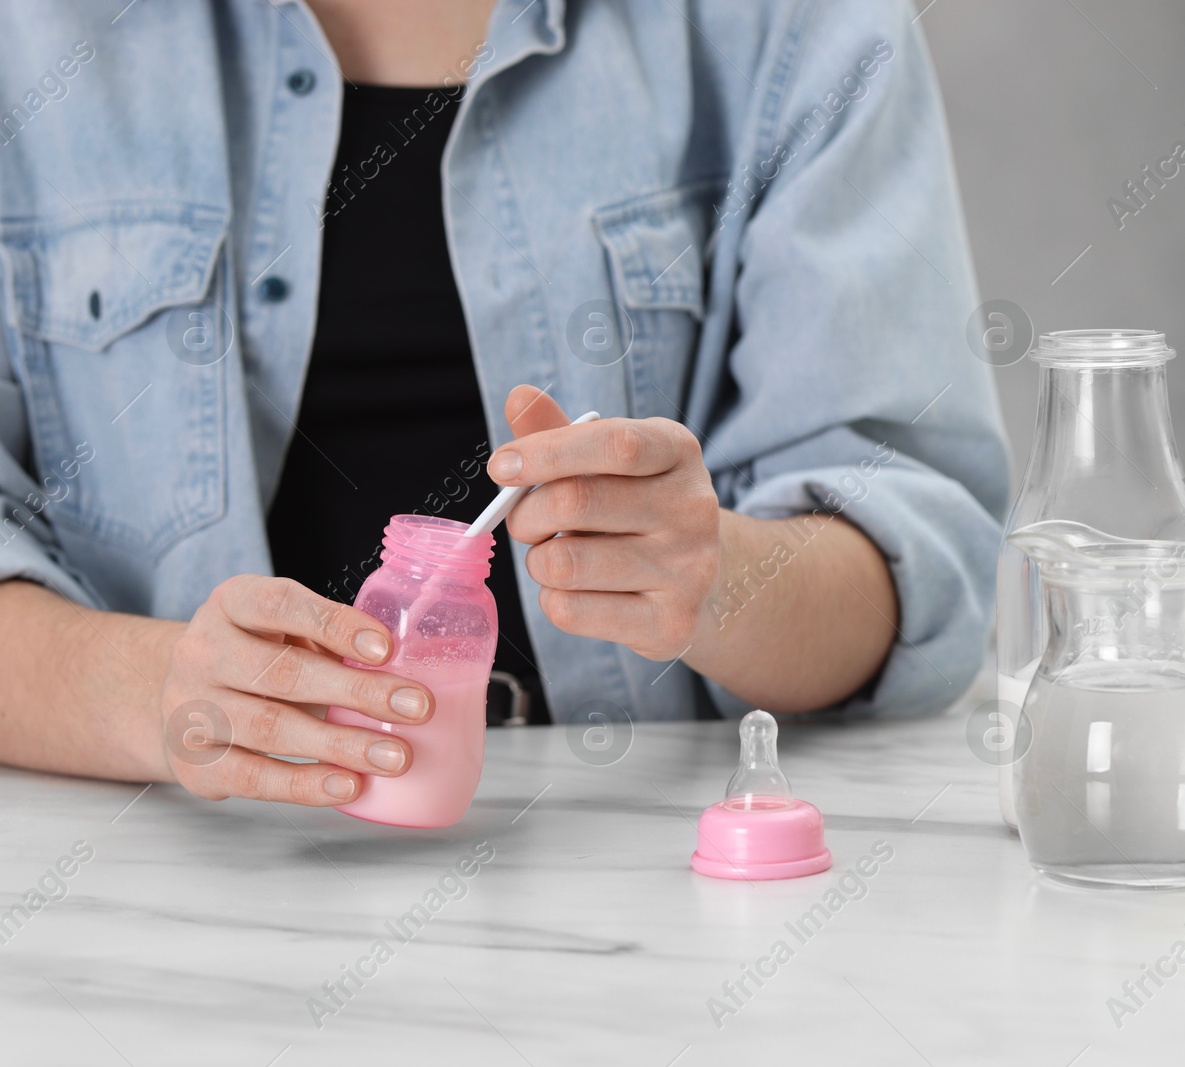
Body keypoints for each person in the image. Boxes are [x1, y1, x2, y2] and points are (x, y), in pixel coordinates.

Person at [0, 0, 1007, 807]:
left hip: (632, 869)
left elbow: (920, 563)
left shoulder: (793, 26)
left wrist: (714, 573)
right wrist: (160, 688)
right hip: (160, 889)